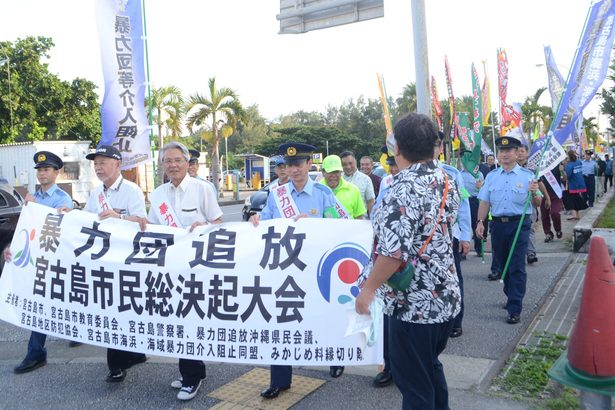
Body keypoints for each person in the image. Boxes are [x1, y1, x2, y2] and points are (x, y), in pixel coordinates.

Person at [355, 113, 461, 409]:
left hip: (412, 304)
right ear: (433, 145)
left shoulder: (400, 190)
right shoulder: (446, 179)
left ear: (396, 148)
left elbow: (391, 253)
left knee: (414, 384)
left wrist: (368, 289)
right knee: (429, 367)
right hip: (444, 297)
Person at [250, 142, 339, 399]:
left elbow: (338, 225)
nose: (294, 170)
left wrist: (315, 224)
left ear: (310, 164)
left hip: (316, 267)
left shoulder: (322, 194)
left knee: (323, 314)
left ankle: (335, 356)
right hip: (284, 268)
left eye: (298, 164)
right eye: (289, 166)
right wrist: (255, 221)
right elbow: (265, 221)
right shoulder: (277, 194)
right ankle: (280, 379)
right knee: (281, 320)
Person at [148, 142, 223, 401]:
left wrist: (205, 226)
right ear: (163, 165)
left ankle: (191, 377)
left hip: (197, 269)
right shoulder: (157, 194)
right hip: (169, 268)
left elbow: (218, 224)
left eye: (178, 160)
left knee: (190, 318)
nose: (173, 165)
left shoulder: (203, 189)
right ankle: (192, 370)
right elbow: (152, 228)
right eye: (167, 161)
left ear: (187, 161)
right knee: (177, 320)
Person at [77, 145, 150, 381]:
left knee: (126, 311)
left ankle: (127, 358)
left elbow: (143, 222)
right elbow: (87, 220)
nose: (98, 167)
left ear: (117, 164)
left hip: (127, 264)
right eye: (95, 163)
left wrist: (119, 217)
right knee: (112, 311)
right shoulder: (96, 192)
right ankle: (121, 361)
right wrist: (71, 214)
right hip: (104, 265)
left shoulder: (132, 191)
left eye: (103, 162)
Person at [6, 151, 74, 374]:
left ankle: (74, 332)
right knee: (40, 305)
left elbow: (63, 229)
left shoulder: (62, 199)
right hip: (37, 262)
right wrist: (12, 248)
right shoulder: (31, 198)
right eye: (40, 170)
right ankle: (35, 353)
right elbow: (24, 230)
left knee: (65, 300)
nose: (42, 173)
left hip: (56, 260)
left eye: (47, 169)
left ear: (57, 172)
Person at [476, 136, 542, 324]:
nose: (504, 154)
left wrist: (534, 192)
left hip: (519, 225)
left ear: (516, 153)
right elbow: (485, 201)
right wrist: (480, 221)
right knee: (503, 263)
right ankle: (510, 293)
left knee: (516, 266)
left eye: (509, 151)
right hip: (498, 225)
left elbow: (537, 203)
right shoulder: (492, 176)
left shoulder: (528, 176)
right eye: (501, 151)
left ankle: (515, 306)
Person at [436, 136, 471, 339]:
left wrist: (465, 236)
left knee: (453, 278)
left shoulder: (452, 174)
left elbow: (463, 207)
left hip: (450, 236)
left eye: (435, 144)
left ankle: (456, 321)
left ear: (440, 147)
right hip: (422, 241)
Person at [516, 144, 547, 265]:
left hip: (530, 204)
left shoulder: (533, 169)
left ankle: (531, 253)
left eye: (522, 151)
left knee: (529, 229)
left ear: (527, 153)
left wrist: (547, 197)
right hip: (516, 205)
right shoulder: (509, 168)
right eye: (517, 151)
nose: (519, 153)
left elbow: (540, 184)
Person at [322, 155, 367, 219]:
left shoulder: (353, 189)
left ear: (341, 172)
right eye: (330, 172)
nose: (333, 175)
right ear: (323, 172)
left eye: (336, 172)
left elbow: (359, 216)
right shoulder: (316, 190)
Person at [459, 150, 485, 257]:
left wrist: (480, 187)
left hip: (474, 201)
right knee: (462, 225)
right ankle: (462, 250)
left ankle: (479, 249)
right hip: (462, 202)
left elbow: (484, 191)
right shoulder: (459, 174)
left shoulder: (478, 174)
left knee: (476, 224)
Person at [540, 168, 563, 242]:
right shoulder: (539, 168)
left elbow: (565, 178)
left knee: (555, 213)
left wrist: (562, 170)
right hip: (543, 194)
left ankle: (558, 229)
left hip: (555, 194)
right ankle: (548, 233)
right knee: (544, 215)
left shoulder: (556, 165)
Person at [564, 150, 588, 220]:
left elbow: (567, 176)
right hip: (581, 183)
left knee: (570, 199)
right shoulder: (579, 162)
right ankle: (577, 215)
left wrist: (563, 169)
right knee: (576, 198)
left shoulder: (569, 165)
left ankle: (574, 215)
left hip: (573, 185)